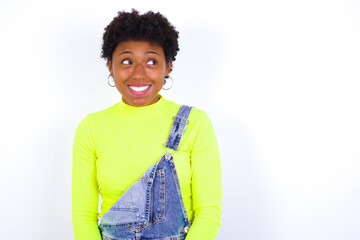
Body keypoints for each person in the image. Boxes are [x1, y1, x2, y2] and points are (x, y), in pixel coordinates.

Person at [72, 9, 222, 240]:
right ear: (110, 66)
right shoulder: (91, 128)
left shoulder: (195, 123)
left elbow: (209, 213)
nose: (139, 73)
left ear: (168, 66)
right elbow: (83, 216)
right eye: (127, 61)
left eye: (152, 61)